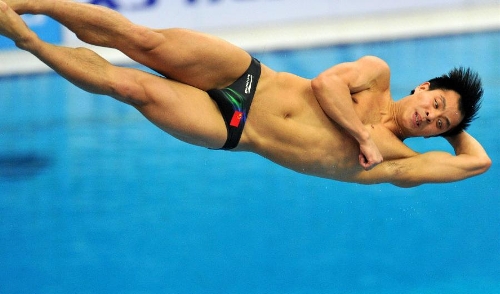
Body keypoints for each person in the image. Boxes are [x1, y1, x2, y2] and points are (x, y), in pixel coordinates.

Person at [0, 0, 491, 187]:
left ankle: (28, 40)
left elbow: (480, 164)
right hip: (250, 77)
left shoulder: (399, 162)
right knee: (140, 40)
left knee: (128, 86)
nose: (431, 116)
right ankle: (25, 1)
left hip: (233, 130)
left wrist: (456, 132)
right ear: (424, 86)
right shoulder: (377, 74)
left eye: (440, 123)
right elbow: (324, 84)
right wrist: (360, 134)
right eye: (437, 103)